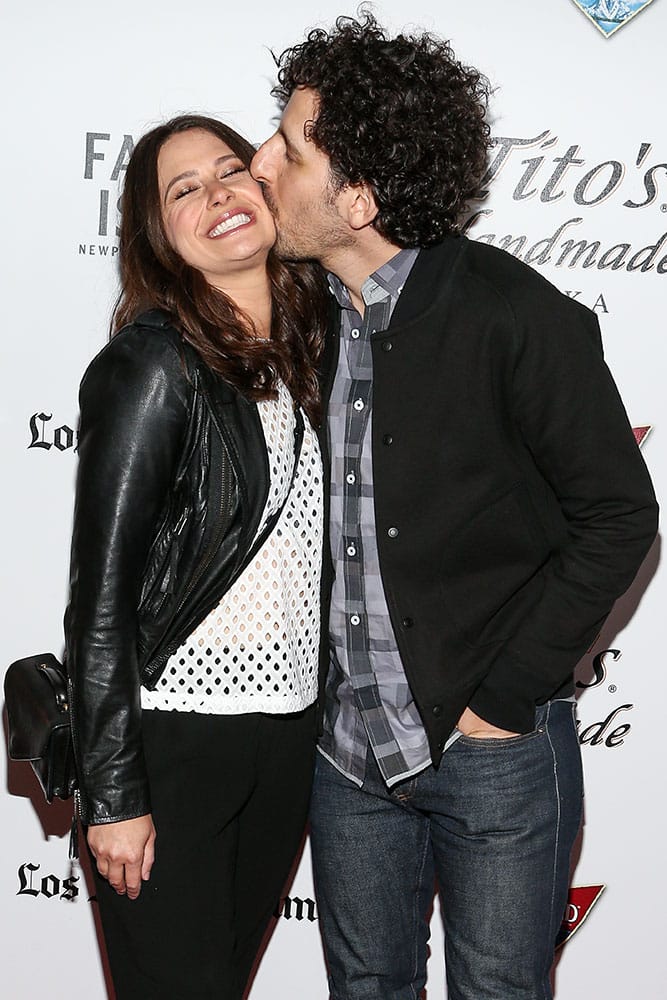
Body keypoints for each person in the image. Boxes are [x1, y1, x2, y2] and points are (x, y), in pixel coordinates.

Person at [251, 14, 659, 1000]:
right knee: (365, 986)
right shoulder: (306, 314)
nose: (259, 161)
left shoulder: (516, 317)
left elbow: (618, 515)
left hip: (491, 756)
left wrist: (502, 697)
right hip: (347, 758)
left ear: (355, 199)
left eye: (289, 145)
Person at [64, 114, 328, 1000]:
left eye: (229, 171)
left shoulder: (315, 350)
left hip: (289, 736)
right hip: (174, 740)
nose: (217, 195)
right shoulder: (149, 365)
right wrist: (114, 794)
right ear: (160, 237)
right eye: (184, 190)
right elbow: (98, 598)